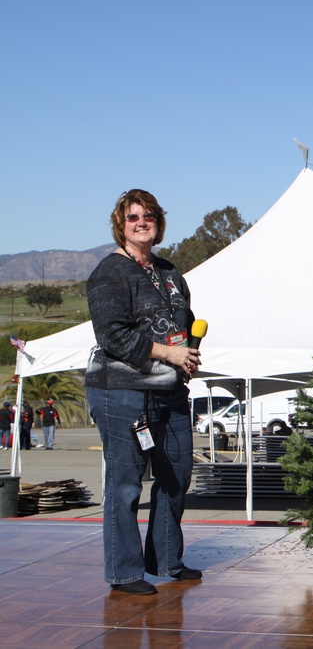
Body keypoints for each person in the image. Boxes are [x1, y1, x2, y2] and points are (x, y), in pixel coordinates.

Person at [85, 189, 204, 596]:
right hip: (120, 391)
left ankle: (167, 559)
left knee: (177, 475)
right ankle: (124, 573)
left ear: (159, 222)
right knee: (125, 483)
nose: (142, 222)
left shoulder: (172, 273)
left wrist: (185, 354)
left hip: (169, 390)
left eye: (149, 215)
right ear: (121, 224)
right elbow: (112, 335)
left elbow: (180, 328)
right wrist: (167, 352)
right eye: (133, 216)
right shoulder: (110, 272)